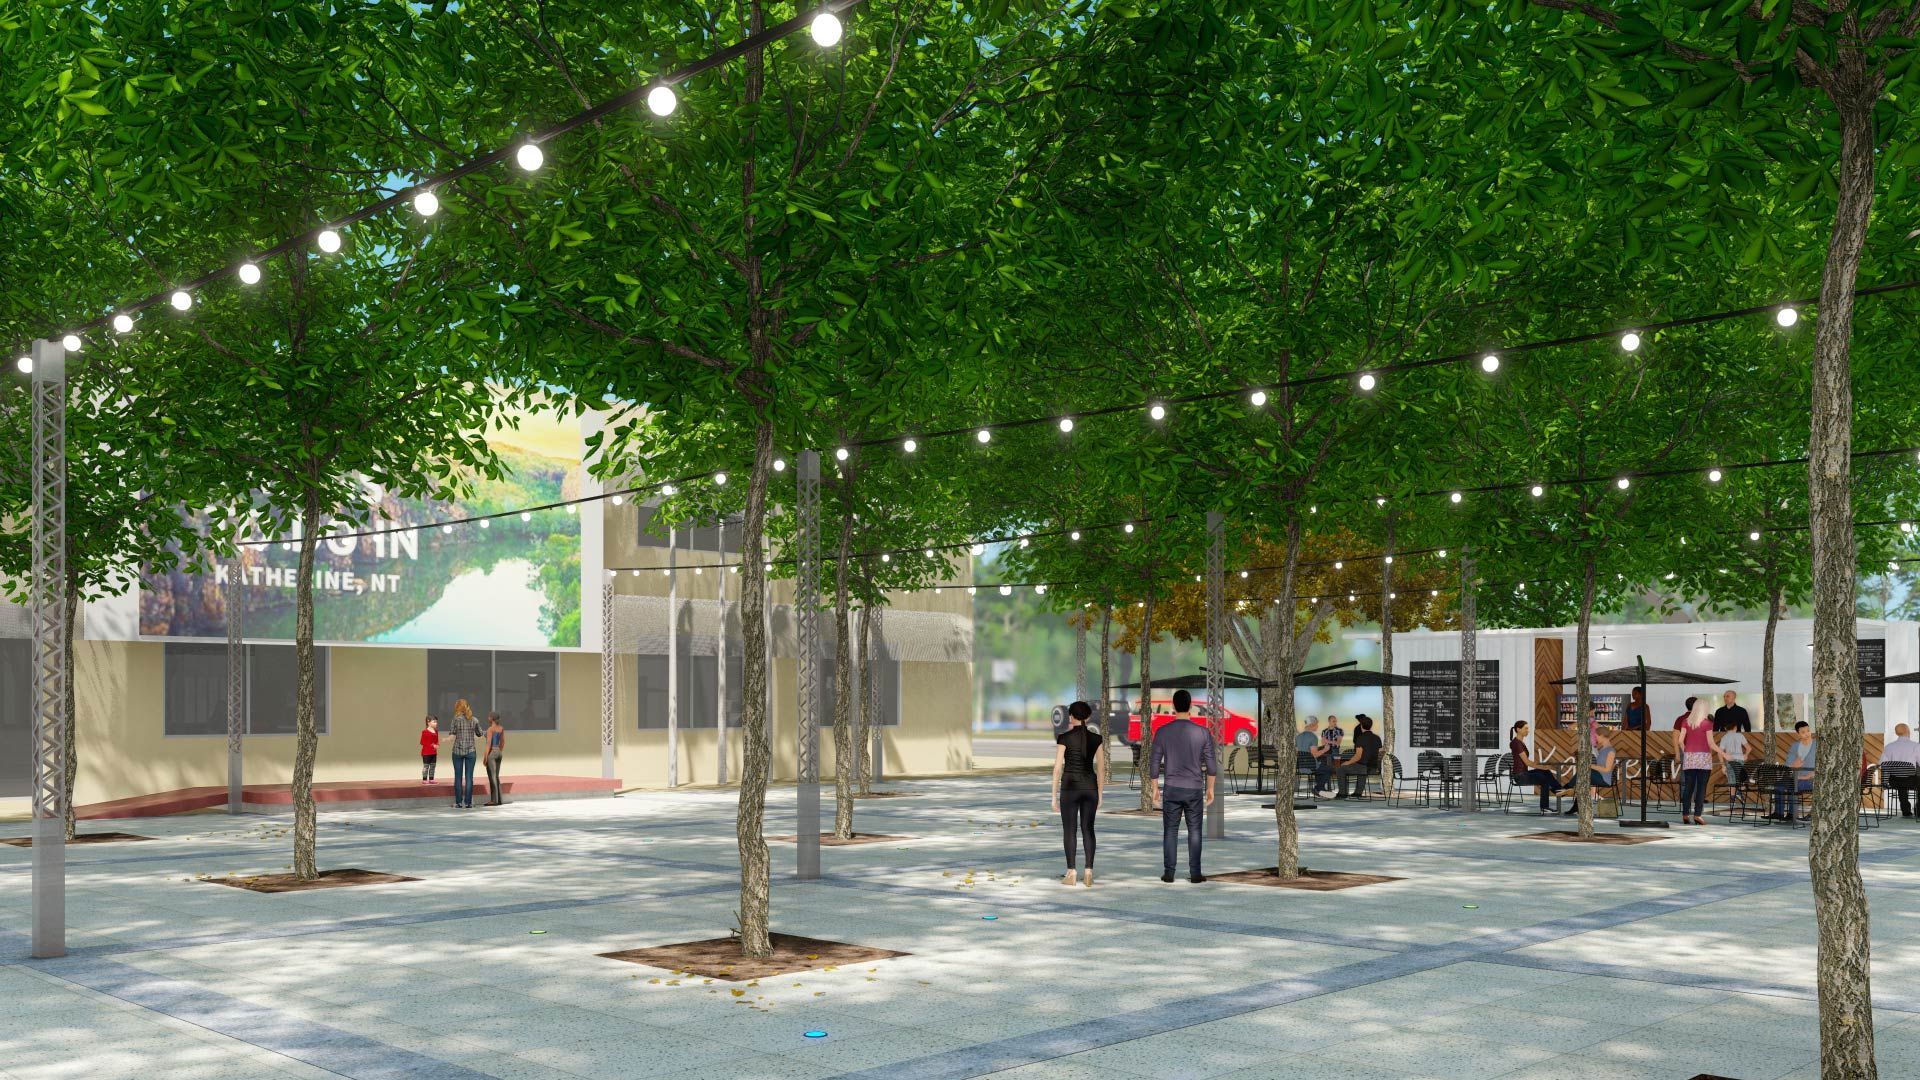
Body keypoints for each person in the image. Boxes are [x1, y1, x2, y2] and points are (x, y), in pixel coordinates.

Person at [1147, 690, 1216, 884]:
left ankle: (1169, 872)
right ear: (1191, 705)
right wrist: (1209, 789)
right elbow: (1211, 766)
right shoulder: (1203, 732)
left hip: (1172, 788)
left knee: (1170, 831)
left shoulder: (1162, 732)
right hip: (1194, 789)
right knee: (1195, 831)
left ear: (1173, 705)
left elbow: (1154, 763)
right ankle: (1195, 873)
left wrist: (1154, 788)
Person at [1051, 701, 1106, 886]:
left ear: (1071, 717)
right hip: (1090, 787)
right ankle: (1089, 871)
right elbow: (1102, 768)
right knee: (1088, 829)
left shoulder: (1064, 737)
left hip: (1070, 787)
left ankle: (1072, 872)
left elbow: (1058, 768)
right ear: (1088, 717)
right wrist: (1100, 793)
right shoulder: (1096, 739)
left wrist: (1053, 795)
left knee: (1070, 829)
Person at [1672, 697, 1724, 826]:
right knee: (1701, 787)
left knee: (1688, 787)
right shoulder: (1707, 723)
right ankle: (1697, 815)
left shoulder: (1685, 721)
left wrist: (1686, 751)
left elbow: (1679, 740)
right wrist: (1723, 753)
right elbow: (1711, 743)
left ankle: (1685, 814)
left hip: (1689, 757)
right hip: (1704, 758)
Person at [1508, 721, 1566, 814]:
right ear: (1518, 729)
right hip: (1520, 776)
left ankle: (1558, 790)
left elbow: (1528, 763)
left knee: (1546, 773)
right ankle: (1545, 807)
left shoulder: (1519, 742)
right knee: (1544, 779)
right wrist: (1543, 767)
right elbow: (1527, 762)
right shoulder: (1517, 743)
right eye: (1526, 728)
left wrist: (1543, 768)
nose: (1528, 730)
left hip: (1523, 773)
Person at [1771, 721, 1816, 821]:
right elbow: (1788, 765)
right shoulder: (1795, 746)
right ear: (1798, 734)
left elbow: (1823, 763)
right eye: (1803, 732)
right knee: (1778, 784)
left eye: (1808, 731)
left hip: (1811, 780)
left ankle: (1792, 814)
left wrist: (1810, 775)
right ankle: (1779, 813)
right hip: (1796, 777)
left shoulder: (1817, 745)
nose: (1807, 734)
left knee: (1793, 785)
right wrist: (1793, 765)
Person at [1334, 715, 1383, 799]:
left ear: (1361, 726)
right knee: (1361, 766)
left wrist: (1347, 762)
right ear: (1370, 725)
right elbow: (1381, 752)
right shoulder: (1377, 738)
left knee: (1340, 769)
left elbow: (1357, 756)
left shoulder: (1360, 738)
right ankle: (1358, 792)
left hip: (1363, 767)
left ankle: (1342, 793)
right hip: (1374, 767)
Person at [1880, 723, 1920, 818]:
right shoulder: (1915, 746)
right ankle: (1919, 810)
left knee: (1901, 780)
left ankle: (1906, 811)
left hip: (1894, 782)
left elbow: (1883, 764)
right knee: (1914, 779)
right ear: (1908, 732)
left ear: (1896, 733)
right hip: (1911, 781)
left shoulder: (1889, 747)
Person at [446, 700, 481, 809]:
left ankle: (458, 803)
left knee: (458, 777)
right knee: (469, 777)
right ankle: (469, 803)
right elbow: (479, 734)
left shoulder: (455, 720)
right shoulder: (474, 720)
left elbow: (452, 736)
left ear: (457, 707)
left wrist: (446, 739)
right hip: (471, 751)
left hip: (457, 751)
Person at [1296, 717, 1331, 794]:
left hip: (1300, 766)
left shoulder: (1298, 736)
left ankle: (1319, 789)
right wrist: (1325, 749)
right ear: (1312, 724)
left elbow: (1298, 751)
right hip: (1311, 767)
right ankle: (1318, 788)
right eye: (1317, 724)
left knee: (1321, 766)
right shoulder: (1313, 737)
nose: (1318, 726)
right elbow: (1314, 754)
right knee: (1328, 769)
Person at [482, 713, 507, 806]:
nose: (487, 718)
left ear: (491, 718)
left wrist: (485, 757)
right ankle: (499, 799)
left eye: (489, 716)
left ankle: (494, 800)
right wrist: (499, 750)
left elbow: (488, 744)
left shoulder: (490, 729)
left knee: (492, 777)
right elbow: (503, 742)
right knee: (496, 776)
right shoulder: (501, 728)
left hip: (492, 753)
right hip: (499, 752)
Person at [1719, 724, 1750, 791]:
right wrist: (1746, 755)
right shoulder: (1740, 735)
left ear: (1725, 728)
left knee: (1731, 782)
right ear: (1735, 727)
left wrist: (1723, 766)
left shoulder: (1724, 737)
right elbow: (1749, 748)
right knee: (1740, 779)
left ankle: (1732, 800)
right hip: (1740, 760)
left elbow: (1720, 753)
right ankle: (1739, 790)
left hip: (1730, 761)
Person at [419, 716, 440, 784]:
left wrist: (437, 745)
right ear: (428, 722)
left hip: (433, 752)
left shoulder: (436, 731)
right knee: (426, 766)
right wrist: (432, 745)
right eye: (434, 722)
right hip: (426, 753)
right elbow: (422, 742)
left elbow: (437, 741)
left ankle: (431, 779)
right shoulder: (425, 732)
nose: (436, 723)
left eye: (436, 722)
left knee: (433, 766)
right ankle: (424, 779)